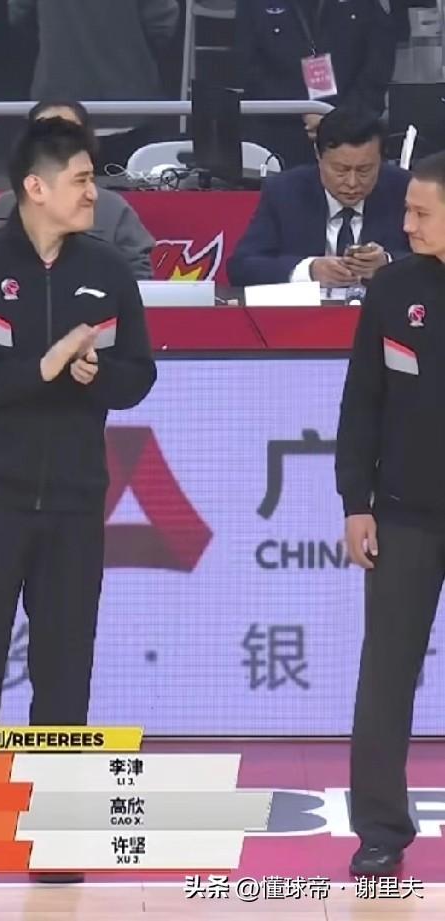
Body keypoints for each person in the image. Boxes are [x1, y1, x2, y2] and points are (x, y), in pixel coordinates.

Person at [0, 118, 156, 887]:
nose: (93, 193)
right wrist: (41, 368)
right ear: (35, 186)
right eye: (82, 180)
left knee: (63, 670)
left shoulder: (107, 271)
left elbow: (138, 372)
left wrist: (98, 376)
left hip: (75, 501)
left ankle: (56, 841)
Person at [335, 150, 445, 877]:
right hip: (404, 515)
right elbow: (362, 402)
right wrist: (355, 503)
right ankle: (379, 829)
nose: (405, 224)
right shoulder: (393, 290)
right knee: (385, 676)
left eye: (420, 212)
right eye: (406, 210)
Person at [227, 109, 410, 289]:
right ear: (318, 155)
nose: (352, 182)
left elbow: (427, 260)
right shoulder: (285, 191)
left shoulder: (404, 189)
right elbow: (242, 267)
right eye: (340, 170)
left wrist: (388, 264)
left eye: (364, 170)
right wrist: (309, 270)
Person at [0, 100, 154, 281]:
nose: (91, 195)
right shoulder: (1, 208)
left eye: (70, 134)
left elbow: (138, 277)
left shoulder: (113, 210)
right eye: (47, 135)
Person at [8, 0, 179, 171]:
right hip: (128, 107)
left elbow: (20, 14)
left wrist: (55, 39)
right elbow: (161, 22)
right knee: (133, 184)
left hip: (58, 109)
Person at [235, 0, 395, 168]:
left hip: (353, 132)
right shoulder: (254, 4)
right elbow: (248, 69)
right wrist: (305, 110)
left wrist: (338, 117)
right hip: (280, 131)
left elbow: (379, 62)